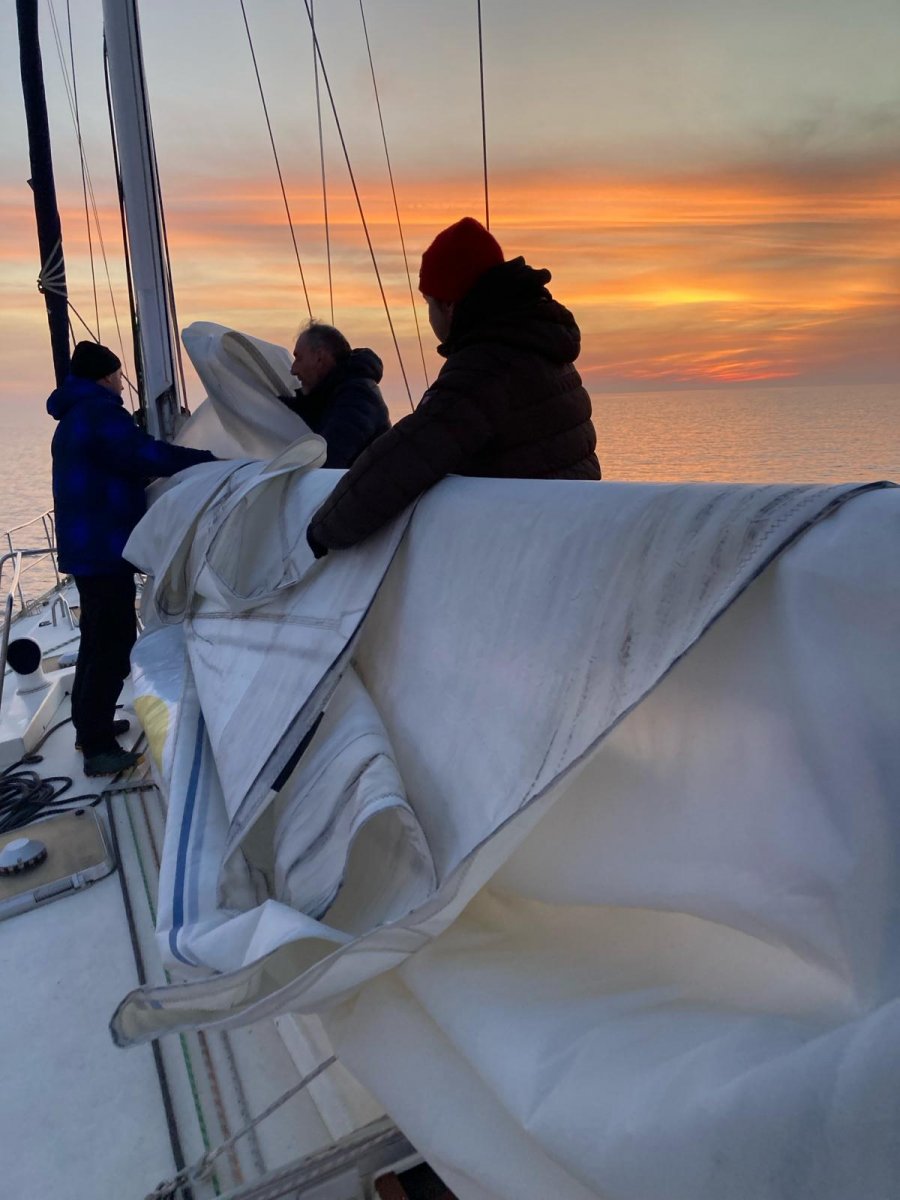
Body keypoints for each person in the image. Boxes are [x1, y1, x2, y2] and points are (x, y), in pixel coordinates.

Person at [306, 217, 600, 557]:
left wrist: (325, 529)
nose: (430, 315)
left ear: (449, 305)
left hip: (528, 551)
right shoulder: (540, 348)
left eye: (429, 303)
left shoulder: (486, 367)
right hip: (570, 540)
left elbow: (410, 454)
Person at [47, 341, 217, 776]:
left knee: (96, 640)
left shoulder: (72, 419)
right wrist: (206, 460)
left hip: (88, 547)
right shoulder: (101, 414)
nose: (122, 382)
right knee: (112, 641)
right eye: (118, 375)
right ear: (106, 376)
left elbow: (116, 465)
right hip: (105, 549)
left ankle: (91, 729)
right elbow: (143, 454)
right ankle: (100, 747)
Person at [281, 321, 390, 468]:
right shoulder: (333, 395)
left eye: (299, 358)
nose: (293, 370)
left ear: (319, 358)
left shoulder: (357, 397)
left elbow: (328, 461)